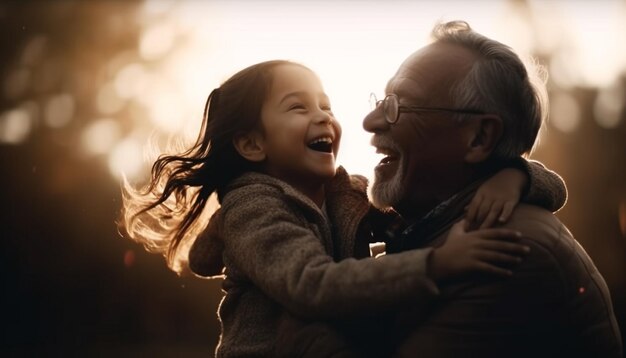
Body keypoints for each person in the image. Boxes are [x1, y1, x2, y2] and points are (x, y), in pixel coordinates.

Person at [119, 60, 564, 358]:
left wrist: (516, 176)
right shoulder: (251, 211)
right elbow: (311, 284)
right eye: (297, 107)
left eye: (326, 106)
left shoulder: (343, 194)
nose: (322, 117)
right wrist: (436, 265)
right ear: (252, 144)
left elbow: (427, 217)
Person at [356, 20, 622, 357]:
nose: (371, 121)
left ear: (480, 138)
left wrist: (293, 319)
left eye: (398, 106)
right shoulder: (436, 230)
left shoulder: (506, 252)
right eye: (382, 101)